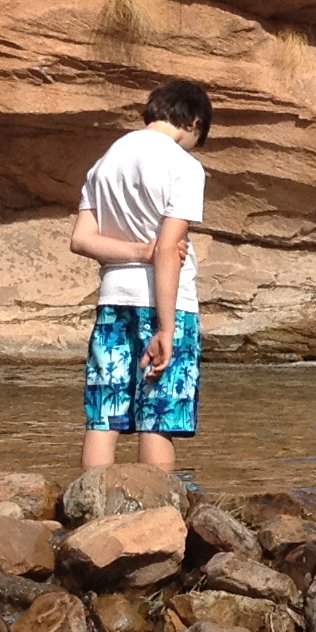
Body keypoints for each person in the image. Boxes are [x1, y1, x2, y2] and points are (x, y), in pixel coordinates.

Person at [70, 80, 212, 474]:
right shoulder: (184, 166)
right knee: (159, 418)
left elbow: (81, 240)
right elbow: (168, 249)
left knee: (104, 414)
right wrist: (166, 329)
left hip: (114, 299)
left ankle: (92, 516)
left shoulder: (105, 163)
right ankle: (158, 522)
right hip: (167, 302)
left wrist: (137, 251)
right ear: (194, 121)